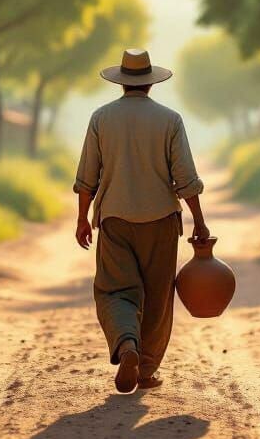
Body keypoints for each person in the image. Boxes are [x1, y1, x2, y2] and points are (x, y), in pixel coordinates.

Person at [73, 48, 210, 394]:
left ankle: (126, 345)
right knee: (157, 297)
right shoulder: (170, 120)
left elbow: (87, 176)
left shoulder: (101, 118)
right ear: (151, 83)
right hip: (161, 220)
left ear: (121, 82)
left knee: (114, 289)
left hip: (115, 219)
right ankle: (146, 370)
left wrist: (82, 218)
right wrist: (199, 221)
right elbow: (185, 178)